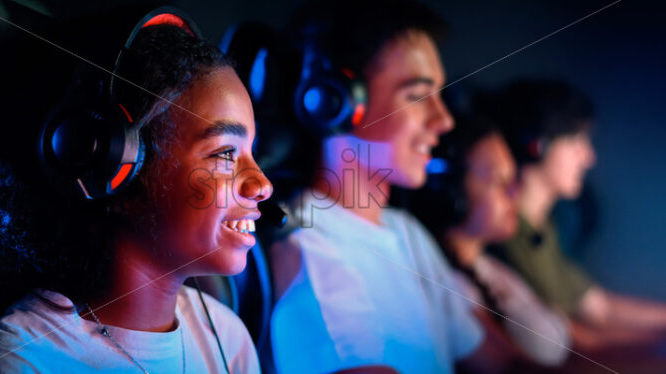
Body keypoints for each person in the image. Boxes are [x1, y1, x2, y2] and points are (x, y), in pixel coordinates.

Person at [0, 18, 271, 374]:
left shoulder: (226, 338)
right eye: (225, 154)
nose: (263, 185)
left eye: (250, 151)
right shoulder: (15, 365)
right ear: (117, 170)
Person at [269, 1, 513, 373]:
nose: (444, 121)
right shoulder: (309, 250)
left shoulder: (407, 232)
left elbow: (508, 366)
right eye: (416, 95)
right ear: (334, 103)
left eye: (440, 96)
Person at [488, 79, 666, 351]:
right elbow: (575, 341)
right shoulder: (508, 233)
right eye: (575, 141)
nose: (588, 157)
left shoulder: (543, 229)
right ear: (536, 145)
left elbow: (598, 307)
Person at [407, 117, 571, 367]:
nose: (514, 194)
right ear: (454, 194)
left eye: (512, 181)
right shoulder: (453, 285)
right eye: (499, 182)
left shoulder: (494, 269)